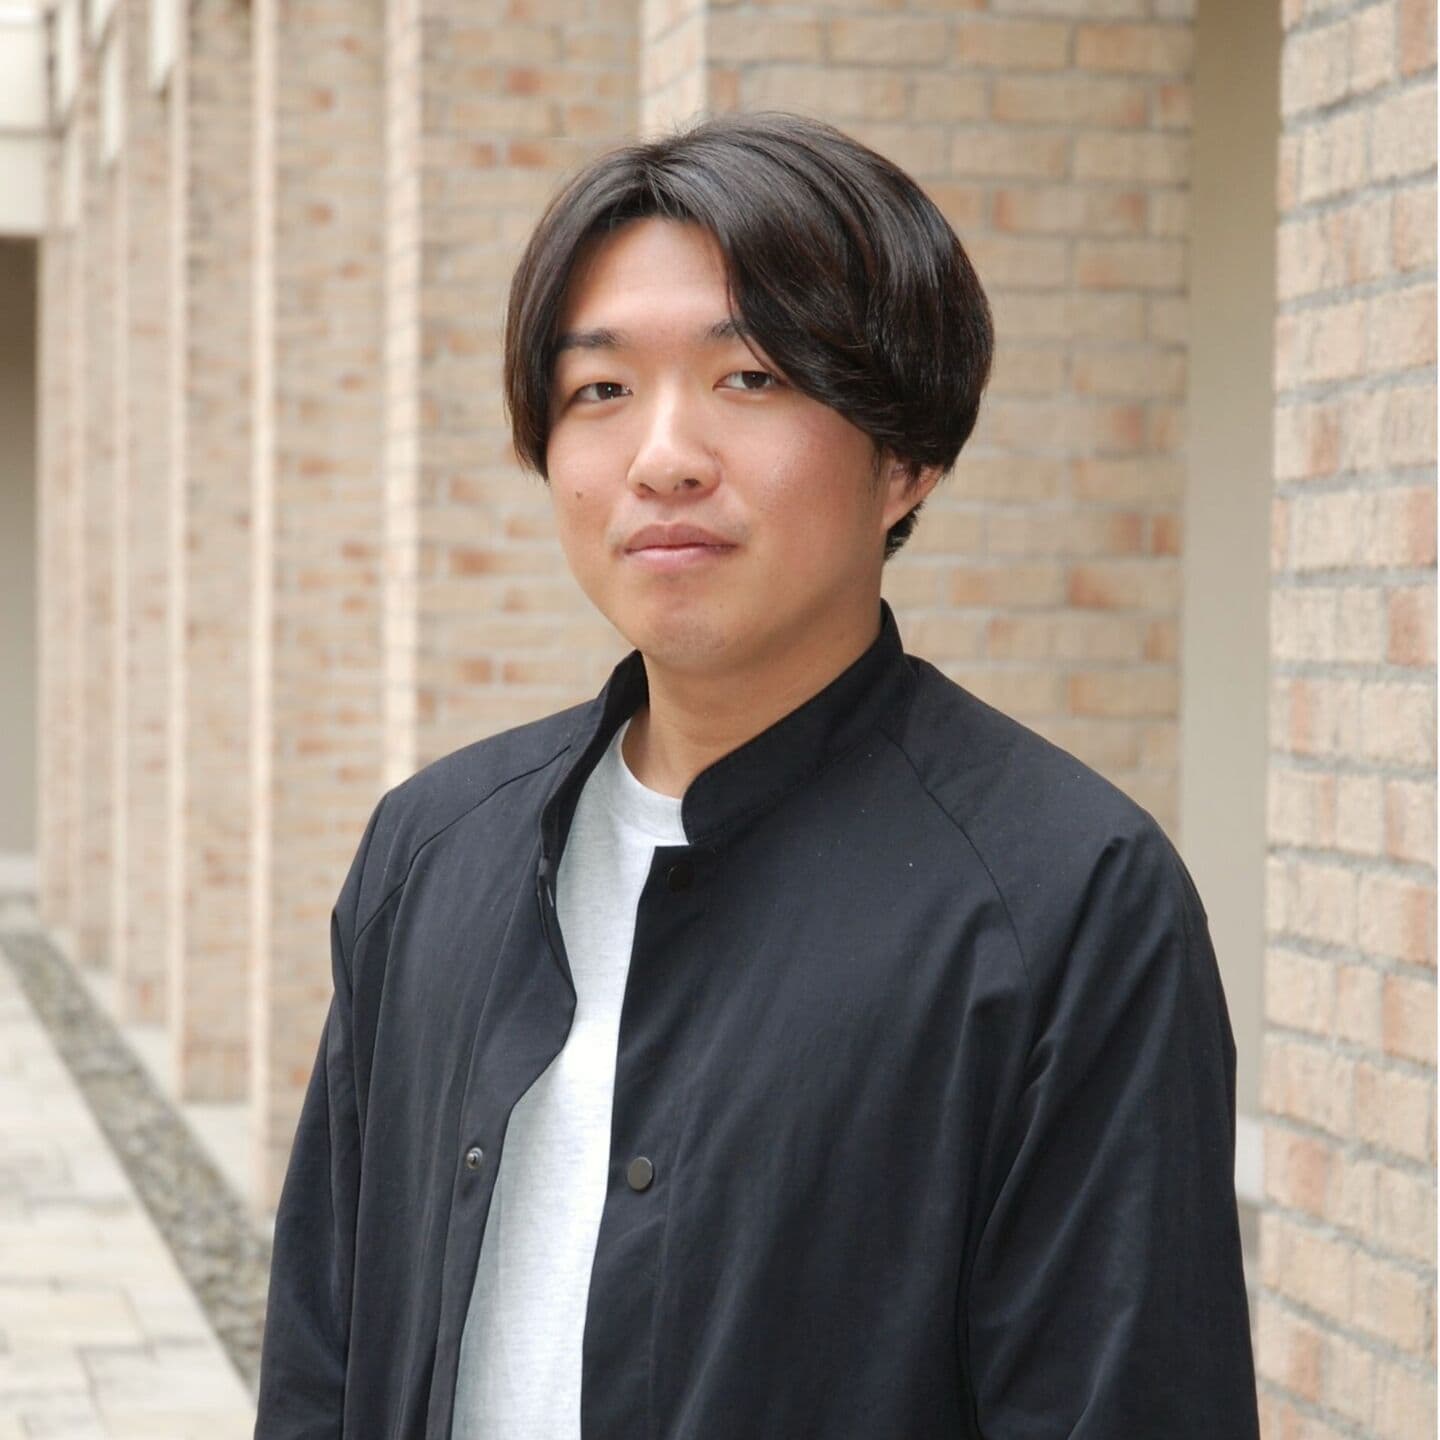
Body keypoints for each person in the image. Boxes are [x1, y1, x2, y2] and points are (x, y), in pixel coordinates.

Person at [253, 110, 1260, 1439]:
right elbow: (323, 1360)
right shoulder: (433, 850)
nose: (663, 457)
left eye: (750, 378)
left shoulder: (1069, 902)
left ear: (906, 457)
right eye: (600, 390)